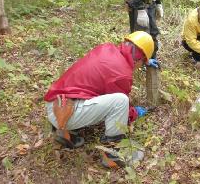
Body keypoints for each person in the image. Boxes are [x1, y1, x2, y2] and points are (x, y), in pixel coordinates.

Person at [44, 31, 157, 168]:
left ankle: (64, 133)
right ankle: (112, 155)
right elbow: (121, 109)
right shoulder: (121, 74)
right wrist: (134, 113)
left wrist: (144, 61)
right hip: (67, 113)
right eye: (143, 62)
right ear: (140, 59)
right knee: (121, 101)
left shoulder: (106, 48)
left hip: (56, 103)